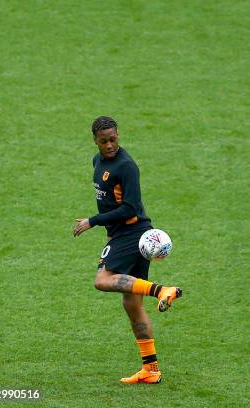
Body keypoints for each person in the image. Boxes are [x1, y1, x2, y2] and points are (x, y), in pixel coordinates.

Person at [73, 116, 182, 384]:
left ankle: (162, 290)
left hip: (131, 234)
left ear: (118, 135)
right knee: (132, 304)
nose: (110, 145)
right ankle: (151, 370)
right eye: (104, 141)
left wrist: (92, 221)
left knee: (101, 280)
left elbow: (131, 208)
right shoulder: (97, 161)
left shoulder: (127, 166)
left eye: (113, 139)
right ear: (95, 140)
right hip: (124, 234)